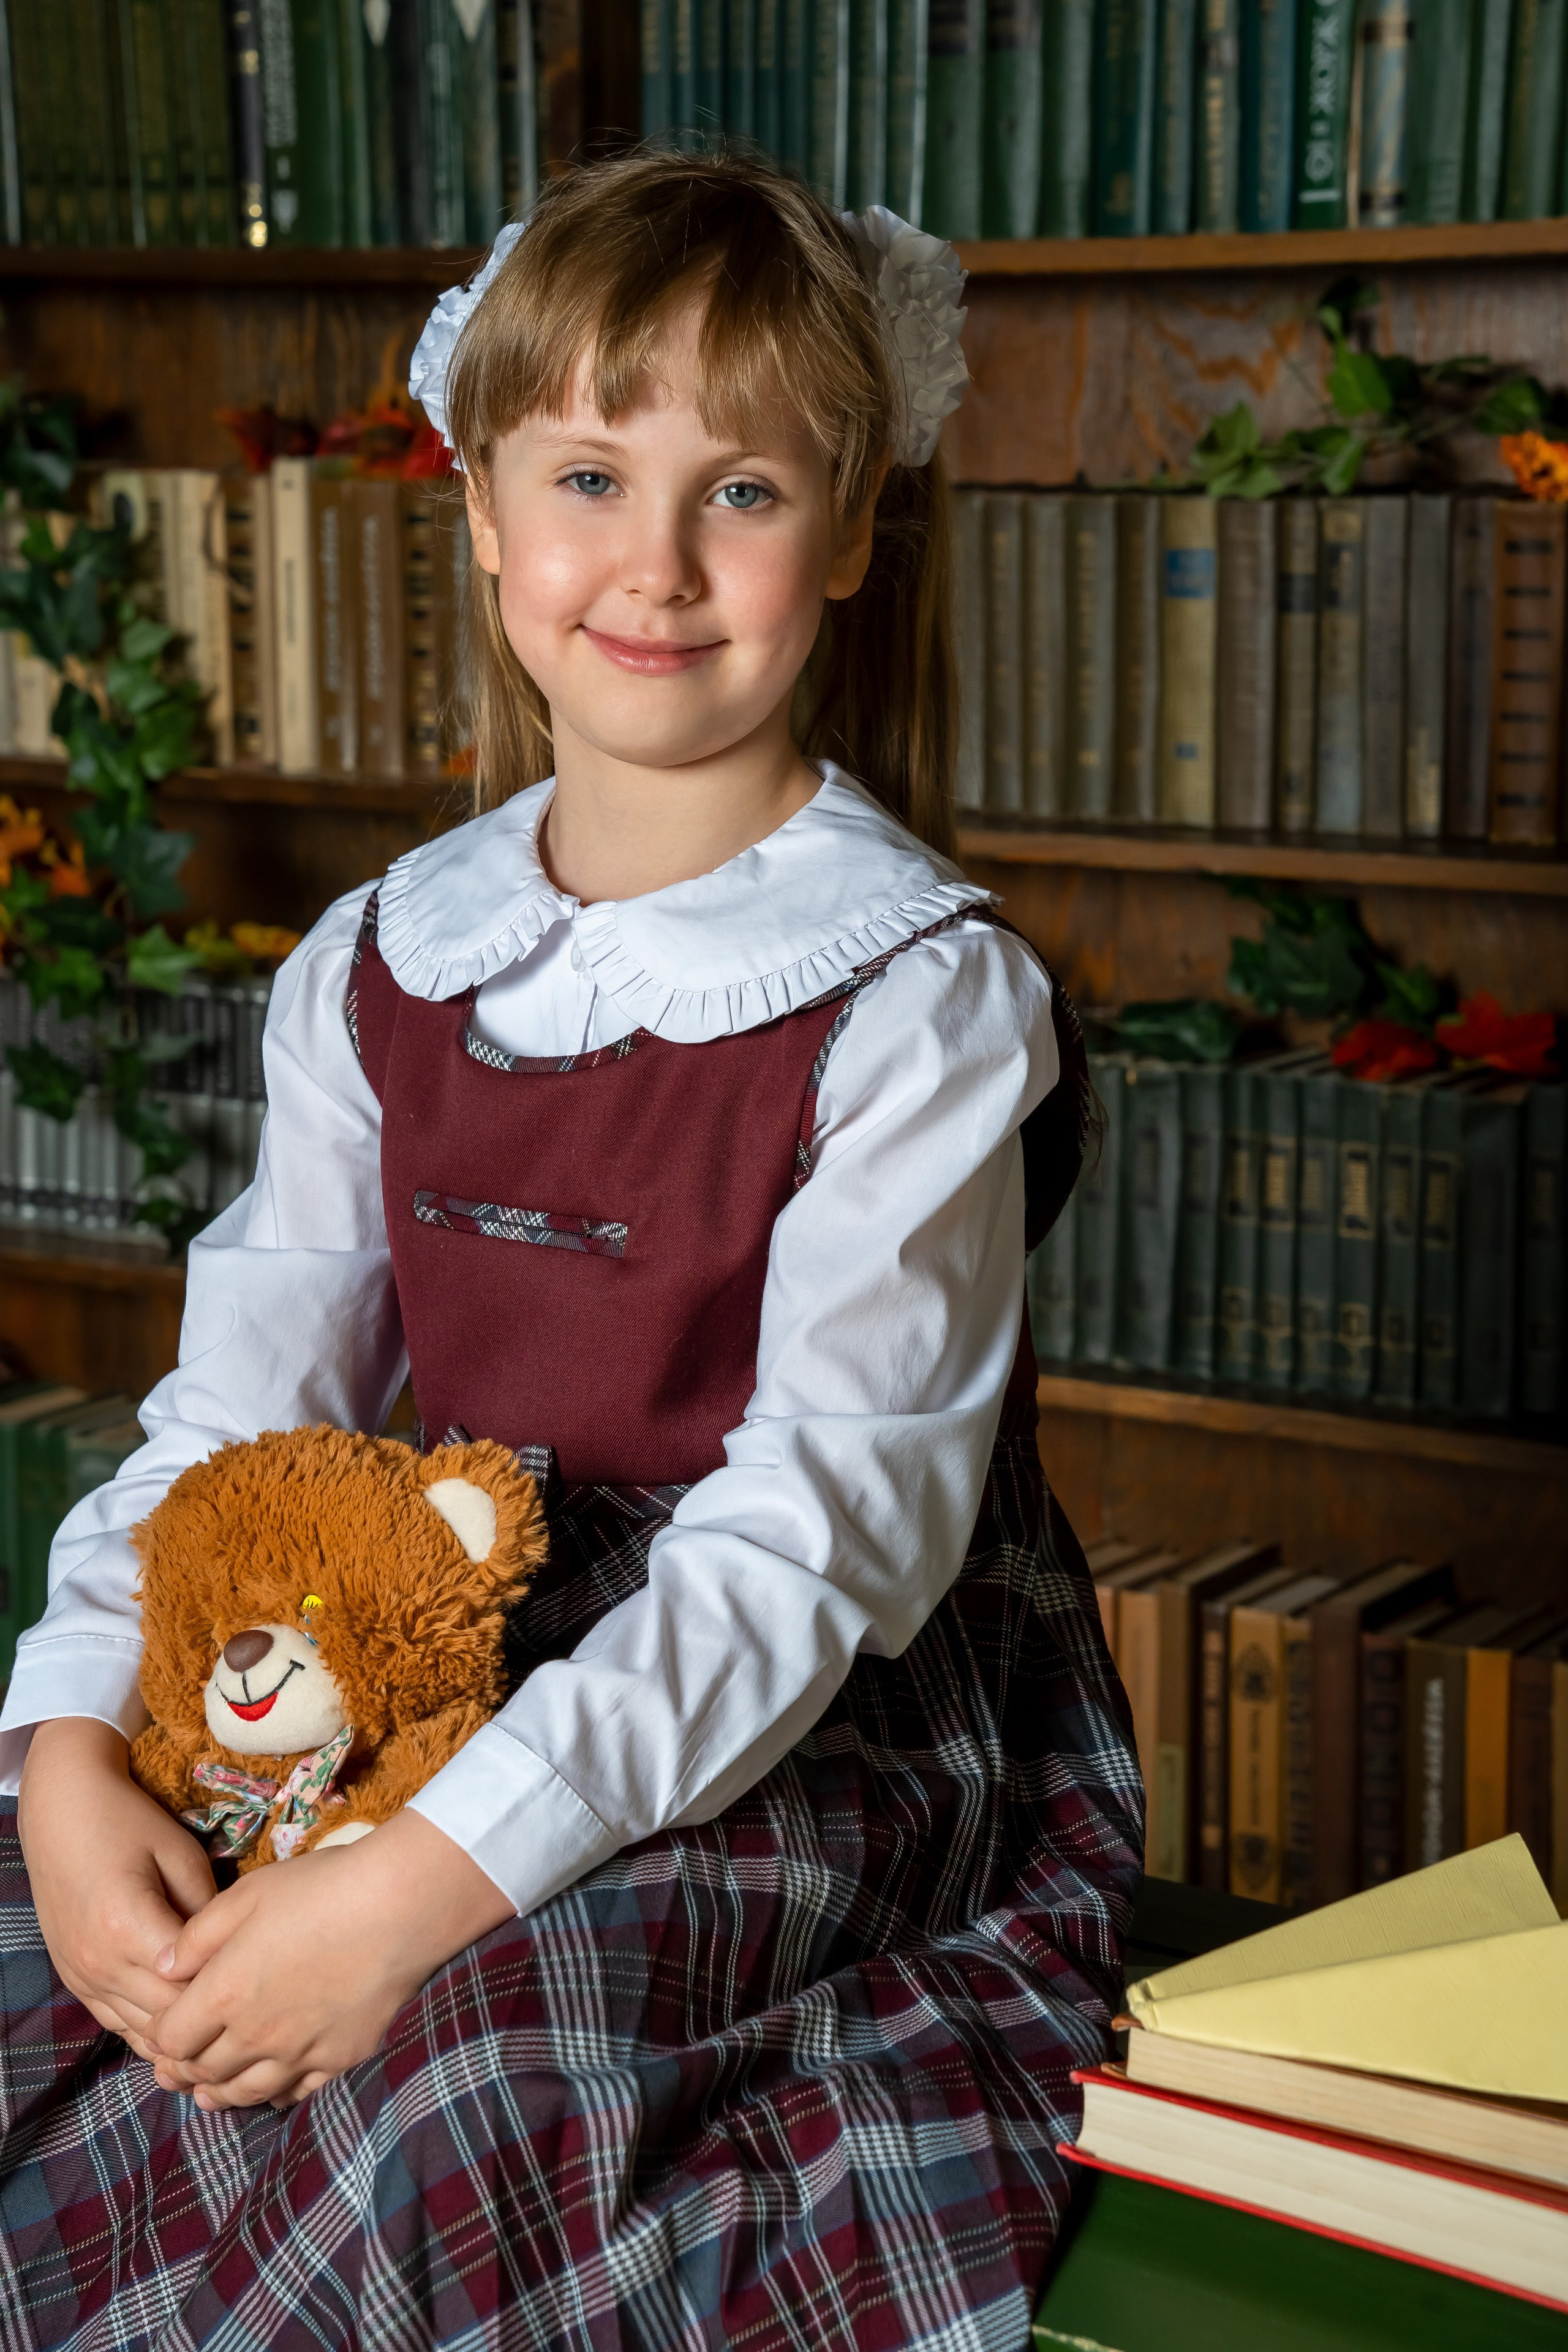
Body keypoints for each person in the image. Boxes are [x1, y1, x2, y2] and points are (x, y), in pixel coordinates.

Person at [0, 153, 1142, 2348]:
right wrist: (68, 1737)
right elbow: (242, 1417)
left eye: (744, 491)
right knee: (66, 1967)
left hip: (805, 1709)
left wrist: (417, 1888)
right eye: (594, 473)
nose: (654, 563)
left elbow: (817, 1551)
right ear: (484, 518)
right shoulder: (375, 961)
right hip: (424, 1606)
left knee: (454, 2081)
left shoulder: (913, 994)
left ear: (858, 531)